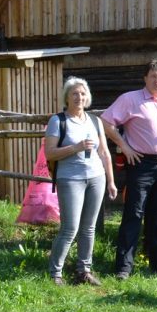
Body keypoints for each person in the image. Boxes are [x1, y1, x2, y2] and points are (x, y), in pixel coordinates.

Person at [101, 59, 157, 278]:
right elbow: (106, 122)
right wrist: (124, 147)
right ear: (145, 78)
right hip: (140, 164)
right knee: (134, 214)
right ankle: (124, 266)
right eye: (153, 76)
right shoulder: (130, 99)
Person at [45, 77, 117, 285]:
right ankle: (55, 273)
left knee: (89, 227)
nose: (79, 97)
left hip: (96, 177)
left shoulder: (94, 121)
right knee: (70, 228)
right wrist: (75, 148)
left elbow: (104, 152)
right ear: (66, 97)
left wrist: (111, 181)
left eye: (83, 93)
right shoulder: (58, 121)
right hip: (70, 179)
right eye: (75, 93)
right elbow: (50, 153)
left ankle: (83, 271)